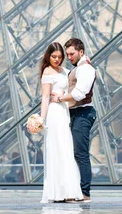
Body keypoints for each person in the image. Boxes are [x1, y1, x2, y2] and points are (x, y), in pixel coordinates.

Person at [51, 38, 97, 203]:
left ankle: (85, 193)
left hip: (83, 113)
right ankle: (74, 190)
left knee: (80, 154)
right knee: (70, 153)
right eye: (67, 54)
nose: (68, 57)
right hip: (75, 113)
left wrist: (60, 99)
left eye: (71, 54)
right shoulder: (80, 68)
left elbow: (79, 94)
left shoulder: (85, 69)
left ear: (81, 52)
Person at [39, 42, 83, 203]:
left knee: (66, 150)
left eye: (59, 57)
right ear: (48, 56)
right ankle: (58, 193)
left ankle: (68, 191)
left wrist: (85, 61)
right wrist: (41, 119)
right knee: (58, 150)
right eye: (53, 57)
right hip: (55, 113)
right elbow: (45, 98)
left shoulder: (65, 71)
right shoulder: (47, 72)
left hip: (64, 113)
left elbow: (76, 81)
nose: (57, 59)